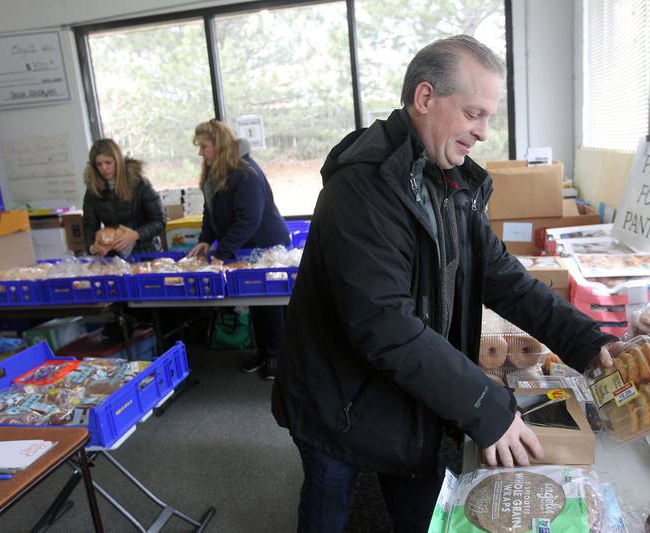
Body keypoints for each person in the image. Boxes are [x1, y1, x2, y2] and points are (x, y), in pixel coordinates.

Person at [271, 35, 617, 532]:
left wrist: (587, 341)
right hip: (338, 402)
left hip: (408, 393)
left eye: (489, 118)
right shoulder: (364, 188)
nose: (483, 133)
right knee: (329, 511)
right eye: (474, 114)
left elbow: (504, 278)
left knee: (427, 512)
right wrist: (484, 406)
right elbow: (385, 325)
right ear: (426, 98)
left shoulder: (448, 179)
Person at [188, 119, 290, 380]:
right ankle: (265, 352)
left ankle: (277, 357)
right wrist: (206, 240)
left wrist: (221, 254)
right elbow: (210, 212)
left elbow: (248, 220)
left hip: (267, 244)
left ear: (219, 146)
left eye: (204, 146)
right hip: (245, 247)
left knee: (269, 303)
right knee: (256, 303)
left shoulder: (245, 173)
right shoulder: (215, 173)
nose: (201, 152)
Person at [83, 138, 166, 257]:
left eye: (108, 162)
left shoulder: (139, 183)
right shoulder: (93, 190)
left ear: (118, 161)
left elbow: (159, 221)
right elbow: (89, 226)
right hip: (113, 256)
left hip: (146, 252)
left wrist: (136, 235)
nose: (104, 168)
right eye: (99, 164)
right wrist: (93, 247)